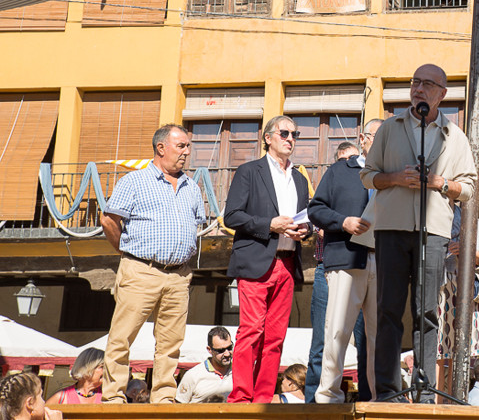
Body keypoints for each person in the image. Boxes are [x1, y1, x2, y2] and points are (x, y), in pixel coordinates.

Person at [360, 64, 476, 400]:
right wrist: (395, 178)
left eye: (427, 84)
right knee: (388, 310)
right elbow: (368, 176)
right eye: (415, 82)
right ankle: (387, 391)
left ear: (442, 93)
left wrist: (441, 183)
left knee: (427, 312)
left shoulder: (456, 137)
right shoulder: (389, 128)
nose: (419, 89)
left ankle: (424, 391)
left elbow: (468, 189)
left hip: (434, 232)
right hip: (392, 228)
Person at [100, 124, 203, 404]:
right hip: (140, 269)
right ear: (161, 148)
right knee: (122, 338)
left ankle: (164, 396)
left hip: (179, 276)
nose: (186, 151)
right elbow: (109, 220)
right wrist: (126, 252)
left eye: (187, 146)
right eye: (181, 146)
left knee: (171, 344)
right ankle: (113, 397)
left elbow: (196, 226)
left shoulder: (192, 187)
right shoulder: (133, 182)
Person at [223, 115, 311, 403]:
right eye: (284, 133)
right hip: (257, 260)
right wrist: (269, 224)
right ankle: (241, 398)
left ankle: (262, 399)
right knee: (251, 331)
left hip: (287, 262)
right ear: (268, 138)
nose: (290, 138)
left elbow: (305, 218)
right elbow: (232, 216)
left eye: (294, 134)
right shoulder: (250, 171)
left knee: (275, 338)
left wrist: (304, 231)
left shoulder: (299, 178)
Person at [309, 136, 376, 403]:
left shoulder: (389, 175)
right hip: (346, 261)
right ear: (363, 139)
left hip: (382, 261)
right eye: (378, 137)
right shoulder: (339, 170)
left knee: (378, 337)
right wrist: (343, 221)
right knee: (336, 331)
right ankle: (328, 397)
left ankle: (378, 398)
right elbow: (315, 209)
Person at [435, 203, 479, 398]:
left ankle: (455, 402)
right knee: (436, 350)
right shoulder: (430, 213)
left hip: (462, 288)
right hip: (437, 287)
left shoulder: (470, 219)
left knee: (460, 351)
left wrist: (467, 250)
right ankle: (434, 404)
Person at [175, 327, 233, 403]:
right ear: (209, 350)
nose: (227, 354)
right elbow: (178, 406)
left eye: (229, 348)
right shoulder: (193, 375)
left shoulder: (241, 372)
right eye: (221, 350)